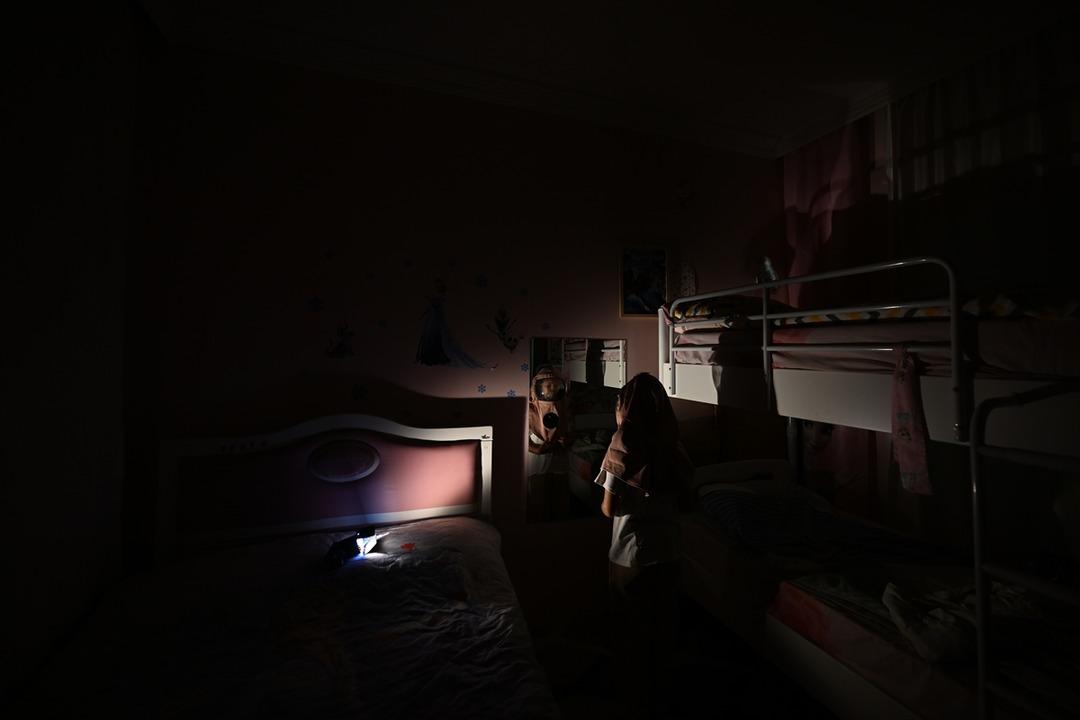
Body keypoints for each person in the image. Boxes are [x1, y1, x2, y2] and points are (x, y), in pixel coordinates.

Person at [595, 372, 690, 717]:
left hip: (631, 554)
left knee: (630, 631)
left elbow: (610, 509)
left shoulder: (623, 447)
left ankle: (633, 699)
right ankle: (661, 696)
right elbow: (686, 497)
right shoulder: (674, 446)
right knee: (662, 630)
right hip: (670, 552)